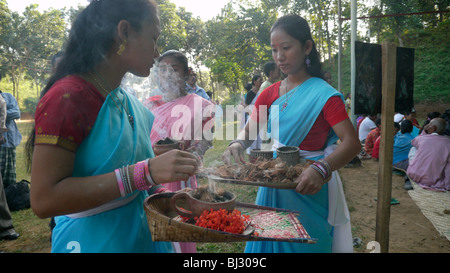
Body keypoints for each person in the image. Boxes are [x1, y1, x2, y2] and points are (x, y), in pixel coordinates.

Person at [25, 0, 198, 253]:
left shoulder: (124, 98)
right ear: (124, 31)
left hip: (142, 238)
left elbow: (141, 174)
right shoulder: (68, 97)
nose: (157, 52)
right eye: (154, 38)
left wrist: (167, 198)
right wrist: (144, 173)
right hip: (94, 242)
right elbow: (44, 200)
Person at [223, 14, 360, 253]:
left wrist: (321, 168)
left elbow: (351, 143)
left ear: (307, 47)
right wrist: (236, 143)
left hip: (309, 183)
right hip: (273, 183)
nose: (279, 57)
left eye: (286, 48)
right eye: (274, 50)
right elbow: (249, 132)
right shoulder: (268, 94)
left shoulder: (325, 95)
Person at [144, 50, 214, 253]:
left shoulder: (201, 105)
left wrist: (191, 153)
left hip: (180, 177)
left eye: (174, 70)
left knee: (178, 232)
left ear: (186, 74)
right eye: (162, 69)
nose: (167, 75)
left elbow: (205, 141)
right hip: (149, 176)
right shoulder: (149, 104)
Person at [406, 118, 449, 192]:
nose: (427, 126)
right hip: (432, 180)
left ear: (433, 128)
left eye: (429, 124)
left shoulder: (421, 138)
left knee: (414, 148)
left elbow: (414, 142)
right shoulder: (448, 142)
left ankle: (412, 175)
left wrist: (424, 132)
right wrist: (447, 185)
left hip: (414, 175)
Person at [0, 74, 22, 189]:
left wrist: (2, 111)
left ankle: (8, 193)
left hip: (8, 138)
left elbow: (16, 113)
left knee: (8, 170)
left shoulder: (8, 97)